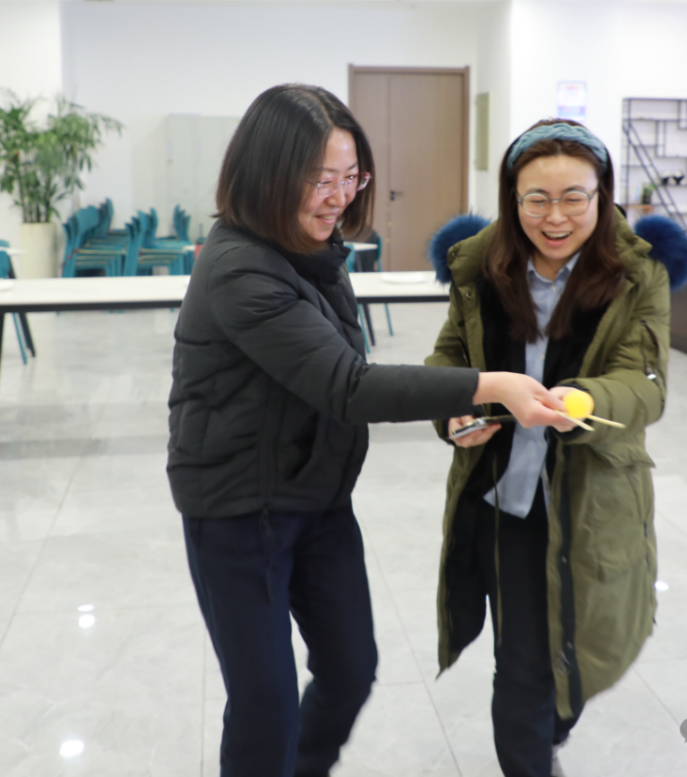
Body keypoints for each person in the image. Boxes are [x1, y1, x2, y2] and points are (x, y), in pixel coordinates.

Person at [166, 84, 567, 777]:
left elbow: (339, 369)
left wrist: (456, 402)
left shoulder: (313, 250)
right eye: (320, 178)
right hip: (237, 510)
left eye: (352, 177)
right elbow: (348, 385)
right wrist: (489, 384)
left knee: (351, 668)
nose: (339, 197)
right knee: (265, 705)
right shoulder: (238, 268)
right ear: (267, 172)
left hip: (317, 496)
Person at [426, 119, 683, 777]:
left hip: (590, 497)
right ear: (513, 198)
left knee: (578, 652)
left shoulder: (637, 275)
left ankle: (550, 727)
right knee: (522, 668)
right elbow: (449, 357)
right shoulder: (480, 268)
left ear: (602, 195)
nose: (556, 217)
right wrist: (453, 410)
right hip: (504, 499)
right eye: (536, 199)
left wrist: (583, 400)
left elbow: (645, 386)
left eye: (574, 197)